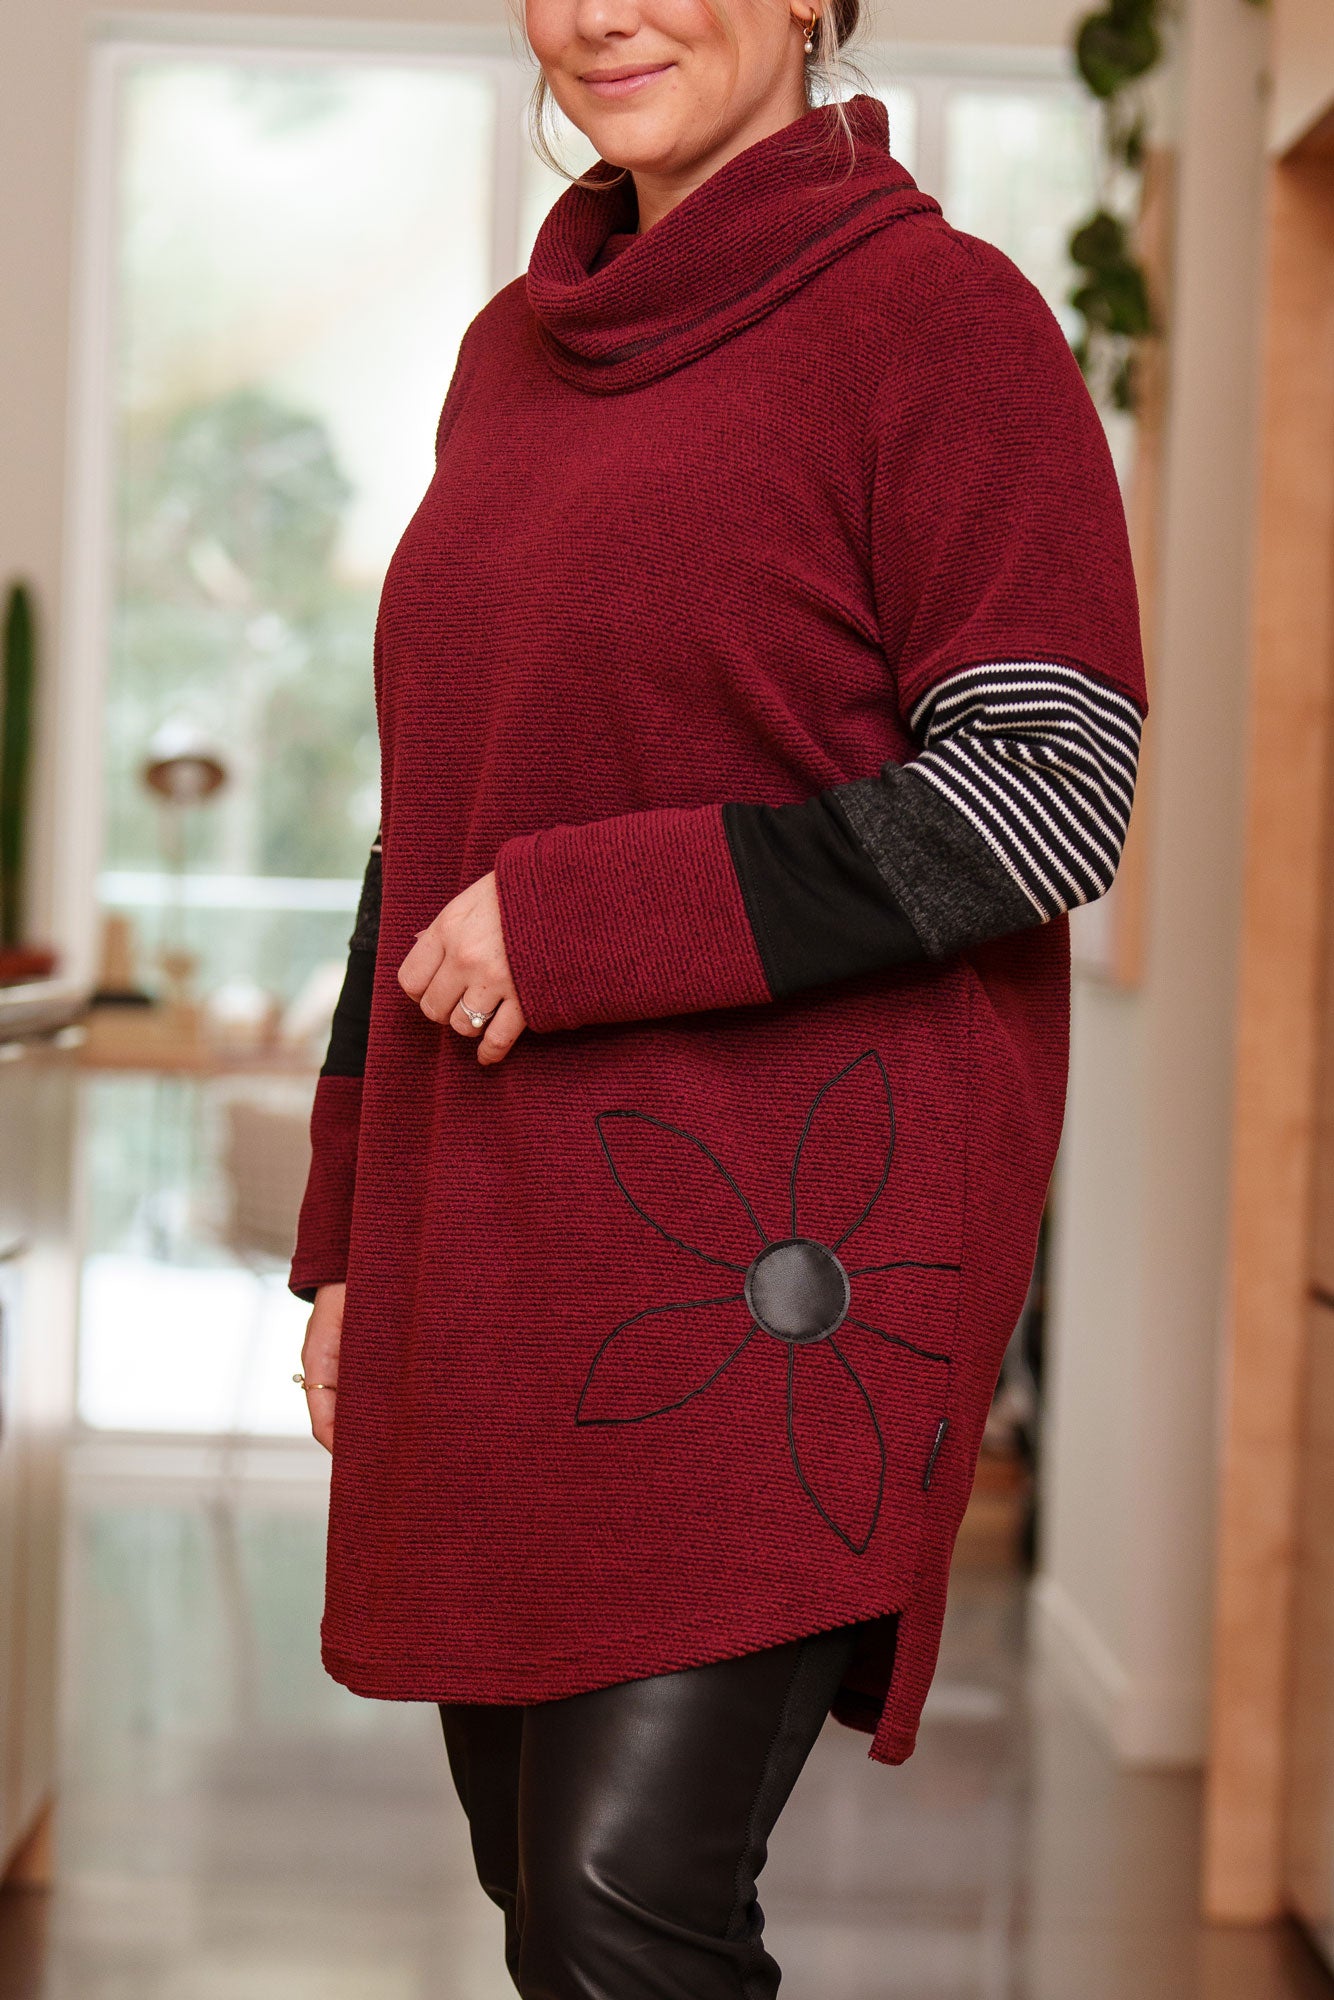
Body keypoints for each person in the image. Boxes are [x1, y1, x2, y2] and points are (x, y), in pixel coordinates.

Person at [288, 0, 1147, 1987]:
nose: (605, 11)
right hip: (493, 1244)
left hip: (761, 1266)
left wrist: (589, 917)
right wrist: (350, 1231)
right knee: (539, 1896)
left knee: (618, 1910)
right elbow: (431, 822)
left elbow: (1048, 786)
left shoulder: (942, 324)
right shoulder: (507, 360)